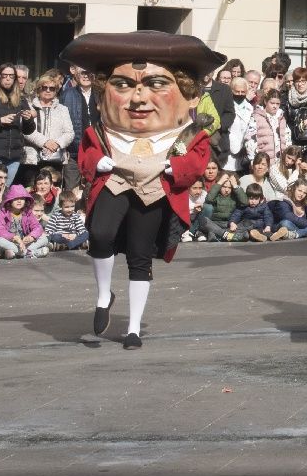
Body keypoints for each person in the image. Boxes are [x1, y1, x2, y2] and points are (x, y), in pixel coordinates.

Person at [68, 31, 221, 349]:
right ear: (102, 96)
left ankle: (134, 328)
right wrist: (98, 162)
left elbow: (197, 160)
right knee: (100, 233)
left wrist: (176, 168)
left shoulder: (188, 135)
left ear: (190, 97)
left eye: (156, 84)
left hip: (154, 188)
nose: (138, 99)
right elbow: (86, 153)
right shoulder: (101, 132)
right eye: (122, 85)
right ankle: (103, 295)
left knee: (140, 255)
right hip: (116, 179)